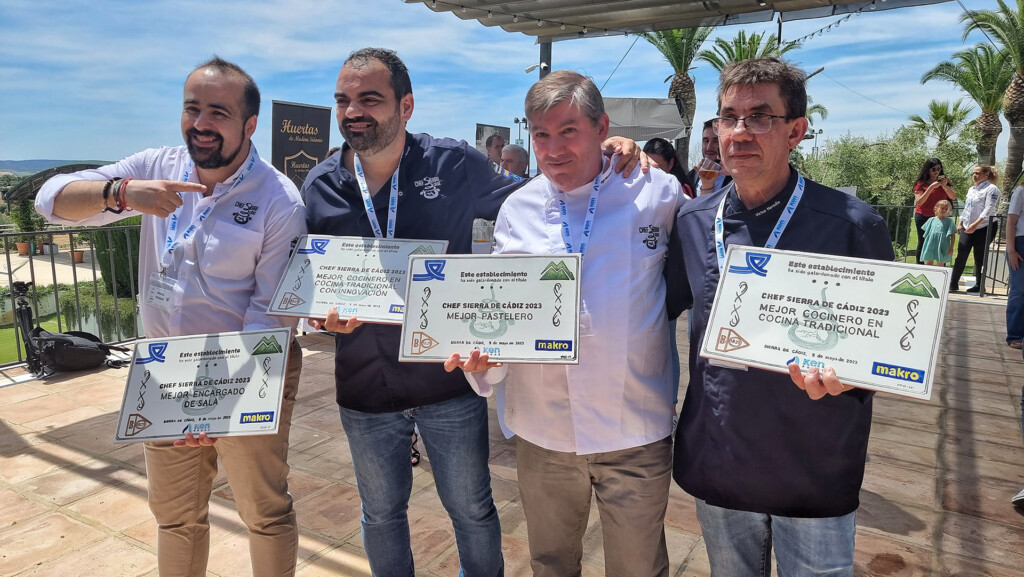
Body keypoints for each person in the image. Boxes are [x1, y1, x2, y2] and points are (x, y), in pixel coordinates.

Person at [300, 47, 647, 577]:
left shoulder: (453, 163)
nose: (353, 112)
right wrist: (318, 317)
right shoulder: (320, 184)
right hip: (364, 383)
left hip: (449, 380)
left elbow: (546, 193)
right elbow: (308, 281)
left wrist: (609, 151)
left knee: (472, 511)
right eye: (343, 101)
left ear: (406, 105)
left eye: (369, 98)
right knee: (381, 514)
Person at [35, 57, 306, 577]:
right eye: (192, 108)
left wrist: (216, 405)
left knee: (264, 513)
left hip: (247, 369)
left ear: (250, 125)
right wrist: (121, 194)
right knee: (175, 517)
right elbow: (52, 200)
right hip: (165, 372)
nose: (201, 124)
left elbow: (268, 317)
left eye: (218, 113)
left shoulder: (278, 200)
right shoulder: (156, 167)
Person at [447, 69, 681, 577]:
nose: (552, 150)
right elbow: (501, 311)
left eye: (569, 130)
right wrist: (482, 360)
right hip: (543, 432)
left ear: (603, 129)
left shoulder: (655, 193)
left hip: (633, 429)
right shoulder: (517, 208)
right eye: (541, 135)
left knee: (640, 569)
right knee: (550, 565)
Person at [668, 57, 894, 577]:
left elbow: (886, 349)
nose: (740, 132)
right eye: (729, 116)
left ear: (796, 130)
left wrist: (852, 379)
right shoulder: (694, 220)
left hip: (812, 463)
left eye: (760, 116)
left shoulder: (851, 226)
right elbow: (652, 310)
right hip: (719, 462)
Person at [949, 164, 1001, 293]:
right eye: (973, 173)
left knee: (979, 256)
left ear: (986, 175)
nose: (974, 175)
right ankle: (953, 283)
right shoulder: (972, 189)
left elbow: (988, 209)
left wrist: (976, 224)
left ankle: (979, 284)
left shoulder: (992, 189)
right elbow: (967, 208)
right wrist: (961, 222)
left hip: (985, 227)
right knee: (961, 253)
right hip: (968, 226)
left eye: (977, 173)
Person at [912, 158, 957, 265]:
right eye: (933, 169)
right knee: (923, 242)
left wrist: (944, 186)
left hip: (941, 218)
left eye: (938, 168)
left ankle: (940, 269)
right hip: (924, 216)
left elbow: (953, 197)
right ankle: (921, 268)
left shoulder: (944, 182)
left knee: (942, 242)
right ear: (927, 170)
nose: (936, 171)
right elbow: (920, 201)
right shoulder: (921, 184)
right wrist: (931, 187)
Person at [686, 119, 732, 196]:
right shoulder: (693, 176)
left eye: (716, 141)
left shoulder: (736, 178)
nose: (709, 147)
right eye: (706, 141)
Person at [1006, 184, 1024, 349]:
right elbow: (1011, 221)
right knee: (1019, 290)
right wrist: (1011, 250)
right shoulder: (1021, 191)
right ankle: (1015, 334)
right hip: (1020, 243)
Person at [920, 199, 956, 266]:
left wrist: (951, 247)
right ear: (936, 208)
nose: (944, 210)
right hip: (931, 244)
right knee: (929, 261)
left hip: (943, 244)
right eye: (942, 208)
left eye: (946, 209)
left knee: (941, 261)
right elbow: (927, 233)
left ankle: (939, 275)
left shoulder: (949, 221)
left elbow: (953, 235)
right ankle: (928, 275)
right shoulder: (931, 220)